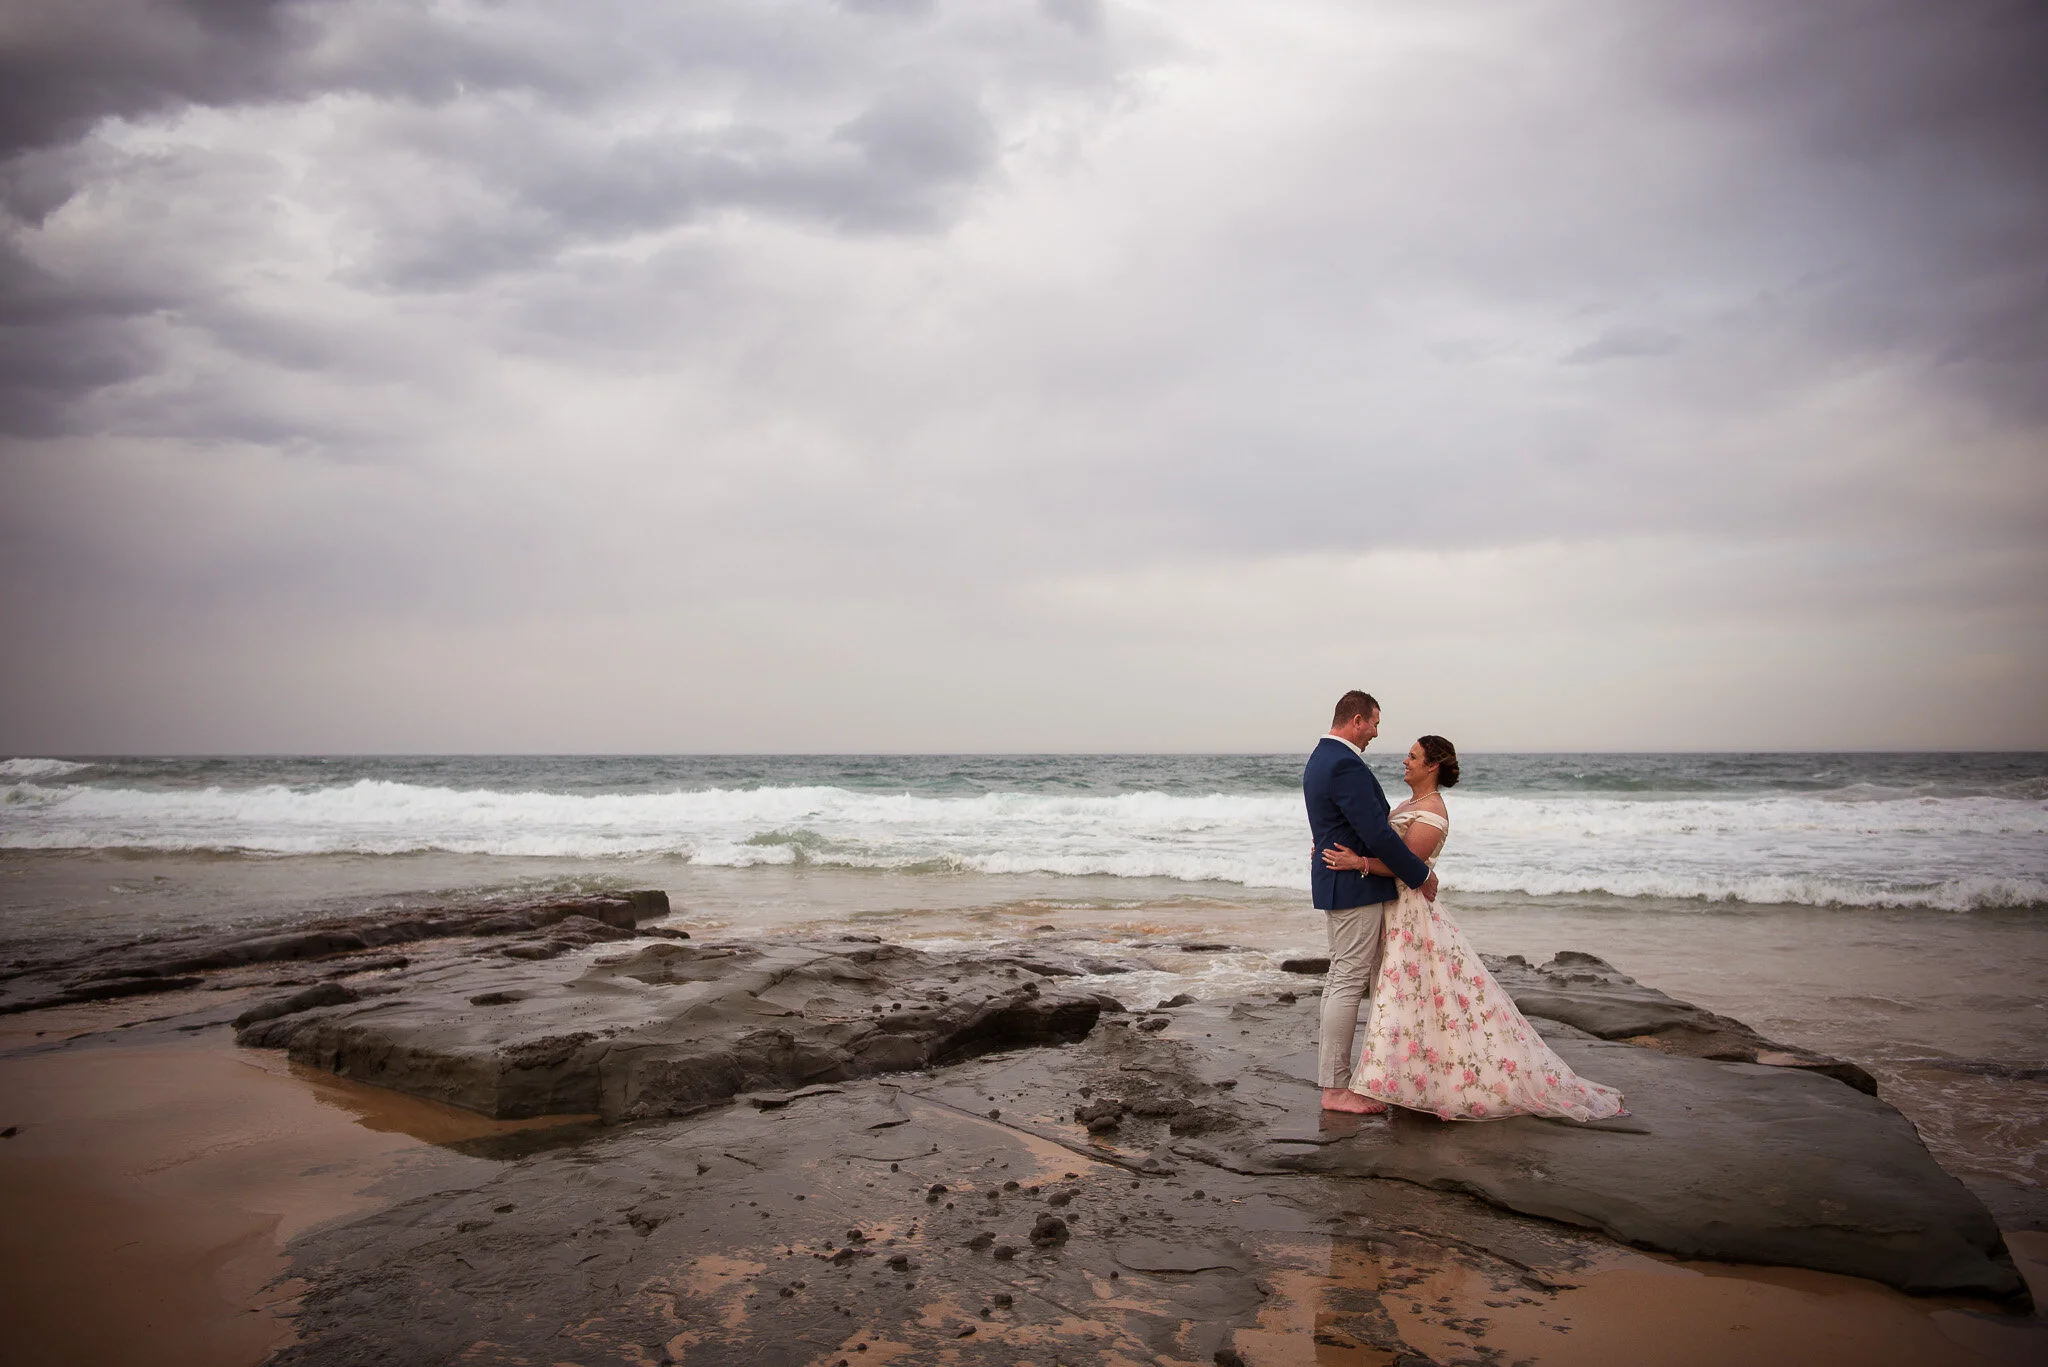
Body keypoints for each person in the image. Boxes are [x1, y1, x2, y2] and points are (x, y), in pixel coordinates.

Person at [1323, 735, 1627, 1122]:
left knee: (1416, 995)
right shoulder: (1407, 805)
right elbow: (1377, 839)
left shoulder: (1433, 811)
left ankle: (1434, 1080)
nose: (1405, 761)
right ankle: (1407, 1078)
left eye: (1413, 756)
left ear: (1432, 766)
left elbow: (1406, 864)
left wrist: (1358, 863)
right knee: (1406, 999)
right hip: (1388, 909)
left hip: (1409, 914)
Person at [1302, 691, 1439, 1115]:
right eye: (1375, 724)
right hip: (1353, 887)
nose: (1376, 734)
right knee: (1346, 981)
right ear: (1357, 719)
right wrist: (1420, 875)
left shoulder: (1320, 758)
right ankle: (1336, 1089)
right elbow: (1377, 833)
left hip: (1339, 882)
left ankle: (1337, 1082)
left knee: (1339, 979)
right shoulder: (1344, 763)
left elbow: (1338, 825)